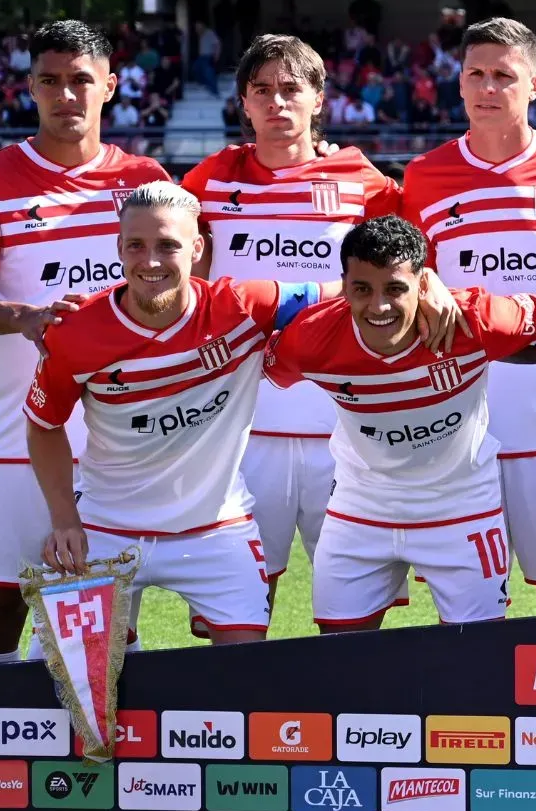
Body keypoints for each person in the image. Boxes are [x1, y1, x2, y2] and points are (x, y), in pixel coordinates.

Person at [24, 183, 458, 642]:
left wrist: (432, 285)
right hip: (103, 529)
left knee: (244, 678)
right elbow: (43, 424)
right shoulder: (74, 330)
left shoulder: (241, 307)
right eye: (136, 245)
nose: (150, 261)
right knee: (64, 683)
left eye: (167, 245)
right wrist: (64, 520)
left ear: (196, 249)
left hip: (214, 532)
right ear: (119, 247)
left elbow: (350, 288)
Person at [0, 20, 173, 666]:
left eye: (80, 81)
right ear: (31, 88)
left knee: (107, 627)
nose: (66, 95)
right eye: (50, 81)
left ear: (110, 88)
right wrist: (27, 317)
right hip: (13, 435)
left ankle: (109, 763)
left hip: (116, 442)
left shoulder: (146, 181)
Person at [178, 34, 417, 632]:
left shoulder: (364, 182)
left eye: (291, 89)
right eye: (263, 91)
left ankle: (357, 725)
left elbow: (408, 281)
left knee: (355, 619)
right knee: (233, 617)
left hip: (345, 427)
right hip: (242, 429)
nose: (277, 102)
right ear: (244, 103)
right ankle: (238, 724)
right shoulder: (208, 181)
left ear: (318, 99)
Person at [402, 18, 536, 614]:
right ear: (460, 82)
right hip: (461, 423)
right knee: (468, 600)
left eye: (504, 75)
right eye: (476, 73)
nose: (488, 87)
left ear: (535, 84)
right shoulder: (423, 177)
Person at [265, 217, 536, 629]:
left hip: (461, 511)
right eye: (361, 290)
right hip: (360, 510)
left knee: (474, 661)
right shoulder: (312, 337)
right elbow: (249, 363)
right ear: (343, 285)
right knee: (339, 661)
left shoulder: (477, 319)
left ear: (423, 284)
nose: (379, 306)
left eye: (395, 288)